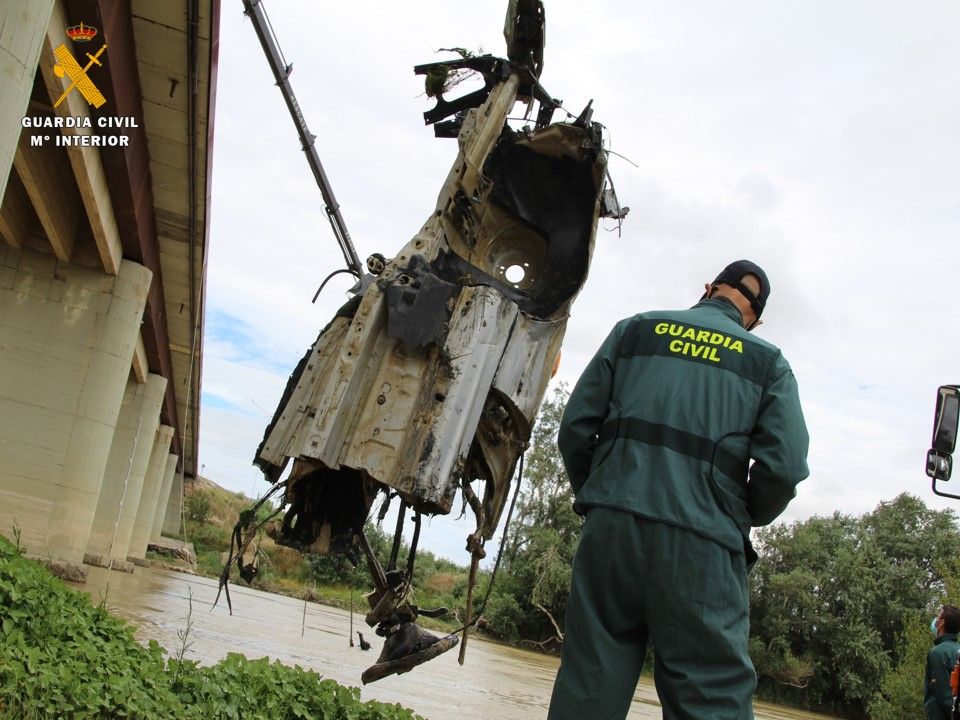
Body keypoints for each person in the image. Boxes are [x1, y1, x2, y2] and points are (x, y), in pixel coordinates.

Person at [547, 260, 810, 720]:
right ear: (755, 318)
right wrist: (737, 515)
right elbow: (783, 469)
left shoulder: (634, 331)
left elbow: (574, 429)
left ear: (709, 288)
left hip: (612, 532)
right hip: (704, 547)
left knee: (589, 685)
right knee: (710, 699)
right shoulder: (767, 362)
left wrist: (605, 494)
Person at [925, 604, 960, 720]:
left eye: (937, 616)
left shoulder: (937, 653)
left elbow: (947, 698)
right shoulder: (957, 649)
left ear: (941, 623)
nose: (935, 619)